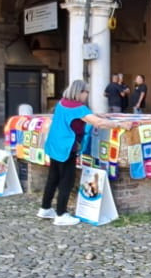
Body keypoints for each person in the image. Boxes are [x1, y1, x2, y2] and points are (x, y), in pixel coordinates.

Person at [38, 79, 116, 226]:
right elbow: (98, 123)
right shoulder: (79, 108)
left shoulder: (62, 103)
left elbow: (86, 116)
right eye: (86, 92)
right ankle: (61, 214)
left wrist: (97, 115)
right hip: (67, 147)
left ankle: (45, 208)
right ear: (80, 92)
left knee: (53, 178)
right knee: (66, 181)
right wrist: (120, 124)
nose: (87, 95)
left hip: (54, 145)